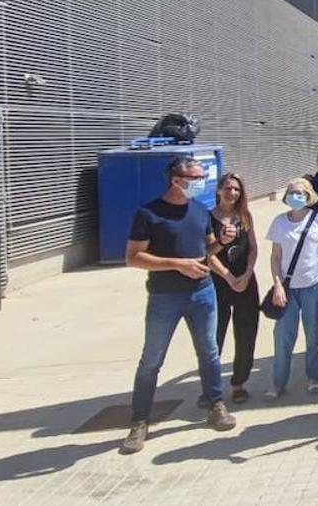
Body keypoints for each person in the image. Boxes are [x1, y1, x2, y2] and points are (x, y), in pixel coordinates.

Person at [120, 156, 236, 454]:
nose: (201, 183)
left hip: (203, 292)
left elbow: (206, 250)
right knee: (152, 360)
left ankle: (216, 404)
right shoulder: (149, 214)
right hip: (164, 296)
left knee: (209, 352)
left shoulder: (198, 210)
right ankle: (140, 420)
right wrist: (176, 264)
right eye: (195, 178)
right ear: (176, 180)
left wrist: (222, 241)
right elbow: (133, 257)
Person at [264, 177, 318, 400]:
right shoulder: (279, 222)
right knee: (283, 335)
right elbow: (275, 257)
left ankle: (313, 376)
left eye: (301, 193)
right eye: (292, 193)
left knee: (313, 332)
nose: (296, 197)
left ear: (309, 196)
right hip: (287, 288)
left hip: (314, 285)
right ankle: (278, 381)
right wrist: (276, 285)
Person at [207, 173, 259, 404]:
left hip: (246, 281)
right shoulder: (207, 218)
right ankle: (210, 386)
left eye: (237, 189)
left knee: (246, 332)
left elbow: (253, 248)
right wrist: (228, 276)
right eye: (228, 188)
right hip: (218, 282)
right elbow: (207, 253)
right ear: (218, 190)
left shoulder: (245, 216)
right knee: (214, 335)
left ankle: (239, 382)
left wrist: (247, 272)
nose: (232, 193)